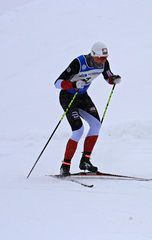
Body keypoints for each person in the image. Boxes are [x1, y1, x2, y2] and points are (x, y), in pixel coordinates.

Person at [54, 41, 121, 176]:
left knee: (96, 125)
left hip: (82, 96)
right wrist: (73, 84)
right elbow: (57, 83)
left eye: (105, 58)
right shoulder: (79, 62)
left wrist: (113, 80)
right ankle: (65, 166)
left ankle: (85, 161)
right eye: (101, 58)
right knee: (78, 130)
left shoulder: (104, 64)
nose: (103, 61)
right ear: (93, 54)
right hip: (68, 97)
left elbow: (108, 77)